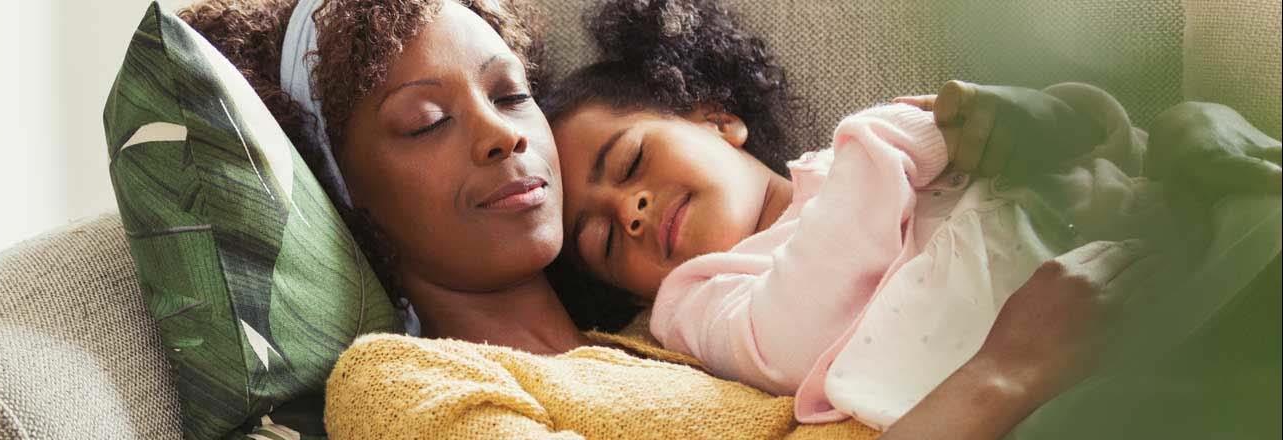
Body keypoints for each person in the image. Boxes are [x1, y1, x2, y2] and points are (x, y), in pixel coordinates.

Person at [179, 0, 1145, 438]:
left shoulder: (671, 329)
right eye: (426, 121)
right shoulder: (401, 383)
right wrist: (1006, 375)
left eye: (510, 98)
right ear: (350, 205)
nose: (502, 138)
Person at [544, 0, 1281, 431]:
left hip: (1155, 245)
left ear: (714, 117)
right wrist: (891, 136)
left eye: (632, 164)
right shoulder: (698, 300)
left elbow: (1073, 147)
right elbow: (793, 337)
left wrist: (1052, 114)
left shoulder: (850, 167)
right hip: (1082, 381)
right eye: (604, 238)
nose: (631, 212)